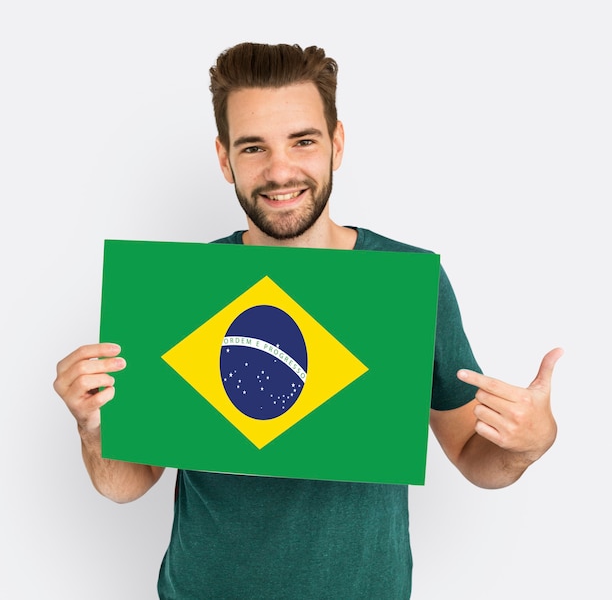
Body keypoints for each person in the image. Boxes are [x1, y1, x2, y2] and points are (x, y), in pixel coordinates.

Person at [54, 42, 563, 599]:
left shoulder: (406, 282)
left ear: (336, 143)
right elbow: (127, 484)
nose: (280, 171)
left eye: (302, 140)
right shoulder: (180, 289)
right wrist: (93, 429)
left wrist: (526, 444)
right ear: (224, 159)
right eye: (253, 148)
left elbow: (473, 457)